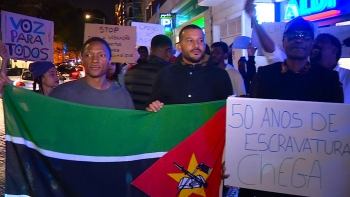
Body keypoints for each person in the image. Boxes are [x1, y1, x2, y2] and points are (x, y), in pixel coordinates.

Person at [245, 0, 349, 103]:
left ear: (312, 43)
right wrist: (254, 20)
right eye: (292, 35)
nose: (299, 39)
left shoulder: (329, 79)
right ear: (283, 43)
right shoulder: (264, 75)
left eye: (305, 36)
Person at [147, 24, 233, 112]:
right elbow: (151, 108)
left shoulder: (221, 76)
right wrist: (153, 106)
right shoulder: (165, 74)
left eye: (200, 40)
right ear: (179, 46)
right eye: (190, 41)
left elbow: (228, 112)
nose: (196, 45)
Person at [48, 37, 134, 109]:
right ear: (82, 60)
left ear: (109, 61)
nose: (95, 60)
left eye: (101, 55)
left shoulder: (122, 96)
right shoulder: (62, 93)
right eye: (88, 55)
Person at [125, 34, 173, 110]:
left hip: (132, 119)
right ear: (169, 52)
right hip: (155, 120)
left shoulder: (130, 71)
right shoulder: (170, 74)